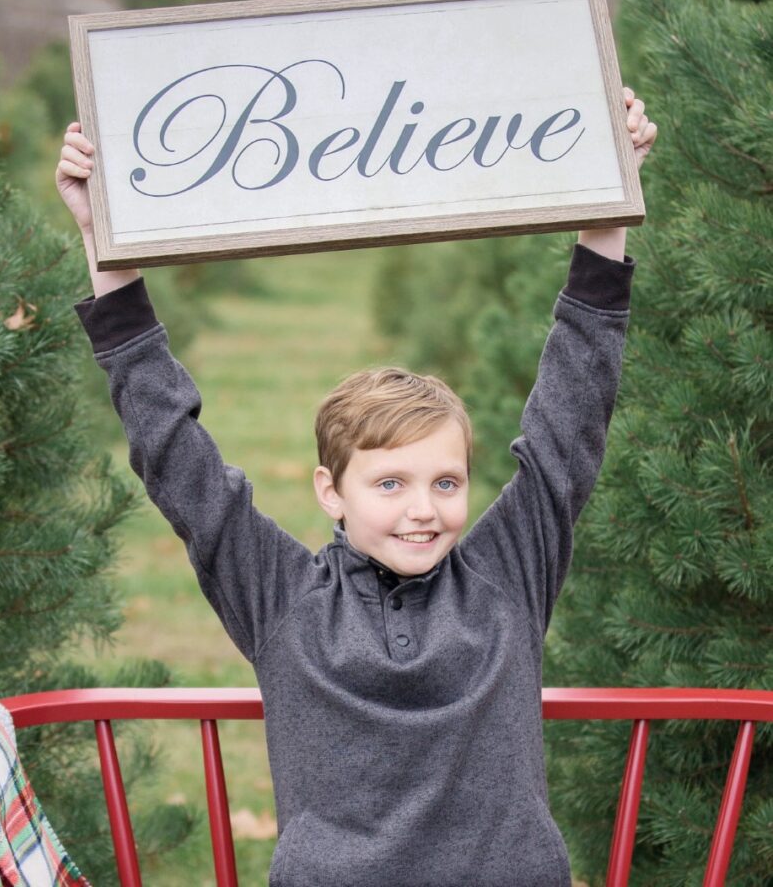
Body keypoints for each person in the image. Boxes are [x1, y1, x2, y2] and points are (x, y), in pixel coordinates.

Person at [56, 91, 656, 887]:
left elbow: (567, 424)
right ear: (329, 491)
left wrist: (604, 212)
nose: (423, 508)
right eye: (389, 483)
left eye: (445, 481)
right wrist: (108, 246)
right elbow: (177, 460)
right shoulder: (280, 597)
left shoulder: (506, 576)